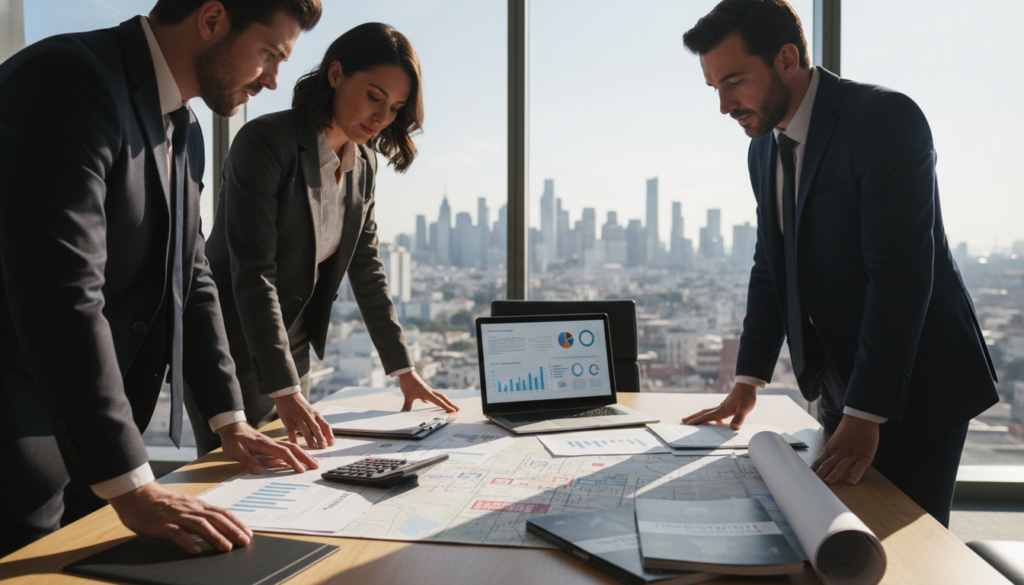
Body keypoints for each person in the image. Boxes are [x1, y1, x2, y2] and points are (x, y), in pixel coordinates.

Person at [0, 0, 324, 557]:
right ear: (212, 19)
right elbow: (62, 292)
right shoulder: (68, 78)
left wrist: (230, 421)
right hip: (19, 434)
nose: (273, 80)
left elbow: (190, 277)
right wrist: (133, 484)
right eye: (269, 54)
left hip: (91, 444)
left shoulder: (186, 129)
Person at [679, 0, 998, 527]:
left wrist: (866, 412)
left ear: (786, 59)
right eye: (714, 87)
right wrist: (748, 379)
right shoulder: (763, 147)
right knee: (840, 535)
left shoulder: (884, 119)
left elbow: (898, 275)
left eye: (734, 82)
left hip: (916, 383)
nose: (724, 105)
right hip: (840, 382)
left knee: (904, 549)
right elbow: (771, 266)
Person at [188, 22, 458, 457]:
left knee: (293, 468)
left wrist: (403, 369)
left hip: (292, 343)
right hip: (232, 343)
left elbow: (367, 269)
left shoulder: (364, 163)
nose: (382, 117)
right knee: (234, 473)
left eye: (395, 107)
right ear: (335, 74)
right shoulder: (265, 142)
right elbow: (254, 273)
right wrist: (283, 388)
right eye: (374, 96)